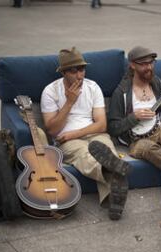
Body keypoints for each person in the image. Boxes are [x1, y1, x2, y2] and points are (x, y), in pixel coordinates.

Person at [40, 47, 130, 221]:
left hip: (90, 134)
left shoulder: (93, 87)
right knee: (84, 155)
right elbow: (52, 130)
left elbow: (101, 125)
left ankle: (113, 192)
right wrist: (69, 102)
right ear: (63, 72)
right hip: (65, 140)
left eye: (82, 69)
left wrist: (74, 133)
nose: (80, 75)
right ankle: (113, 174)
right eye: (74, 71)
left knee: (104, 148)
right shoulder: (50, 91)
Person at [107, 46, 161, 184]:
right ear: (132, 65)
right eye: (144, 64)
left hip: (160, 132)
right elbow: (112, 127)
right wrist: (133, 117)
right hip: (137, 141)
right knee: (147, 148)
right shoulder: (121, 92)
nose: (149, 67)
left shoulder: (156, 83)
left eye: (151, 63)